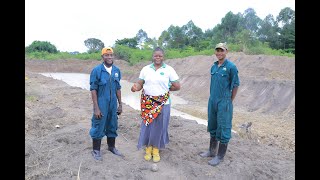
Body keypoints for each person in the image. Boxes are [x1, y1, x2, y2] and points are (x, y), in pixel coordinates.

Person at [131, 47, 181, 163]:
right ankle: (148, 148)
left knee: (160, 126)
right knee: (147, 125)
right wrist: (135, 88)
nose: (157, 57)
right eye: (155, 56)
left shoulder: (169, 69)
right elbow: (140, 83)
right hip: (147, 103)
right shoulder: (146, 69)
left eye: (160, 56)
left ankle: (156, 149)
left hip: (163, 103)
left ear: (163, 57)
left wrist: (165, 90)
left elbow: (177, 86)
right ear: (152, 56)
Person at [199, 42, 240, 166]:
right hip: (213, 101)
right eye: (217, 50)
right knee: (213, 125)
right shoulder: (214, 67)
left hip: (224, 102)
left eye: (221, 50)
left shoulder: (231, 67)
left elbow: (236, 85)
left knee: (223, 127)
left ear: (226, 51)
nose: (219, 53)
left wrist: (229, 100)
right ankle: (212, 151)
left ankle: (220, 156)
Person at [89, 47, 123, 161]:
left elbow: (118, 88)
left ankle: (111, 147)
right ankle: (96, 150)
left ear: (113, 56)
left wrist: (120, 104)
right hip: (101, 102)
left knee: (112, 124)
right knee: (98, 125)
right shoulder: (97, 70)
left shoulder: (117, 71)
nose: (109, 57)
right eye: (106, 55)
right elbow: (93, 89)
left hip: (113, 103)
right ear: (102, 57)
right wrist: (96, 108)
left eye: (111, 55)